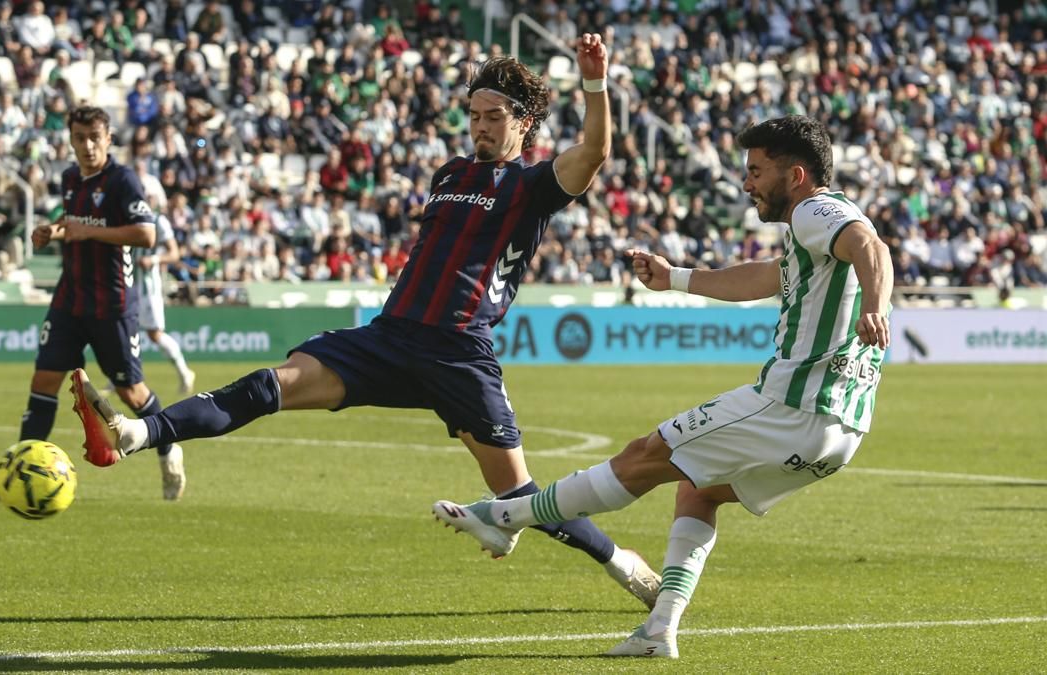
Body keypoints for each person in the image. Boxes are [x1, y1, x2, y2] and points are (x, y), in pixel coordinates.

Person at [70, 37, 664, 606]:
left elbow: (594, 152)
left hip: (457, 351)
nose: (480, 126)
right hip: (388, 336)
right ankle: (137, 434)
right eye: (474, 114)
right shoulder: (450, 174)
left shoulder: (533, 185)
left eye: (493, 116)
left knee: (517, 495)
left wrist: (594, 82)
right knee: (266, 386)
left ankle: (620, 561)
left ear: (524, 123)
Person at [432, 116, 894, 659]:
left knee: (644, 455)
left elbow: (871, 245)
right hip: (842, 431)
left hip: (792, 406)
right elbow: (763, 277)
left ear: (795, 175)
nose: (746, 183)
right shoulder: (808, 239)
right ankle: (658, 630)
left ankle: (503, 517)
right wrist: (675, 277)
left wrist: (876, 307)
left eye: (755, 170)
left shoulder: (817, 209)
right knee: (698, 487)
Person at [0, 105, 187, 501]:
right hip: (69, 299)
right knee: (43, 381)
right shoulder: (71, 177)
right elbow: (74, 218)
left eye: (95, 137)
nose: (88, 145)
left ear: (108, 139)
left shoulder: (123, 180)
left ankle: (167, 447)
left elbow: (145, 235)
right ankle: (18, 473)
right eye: (80, 138)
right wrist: (53, 231)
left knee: (133, 393)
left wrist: (87, 232)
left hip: (111, 304)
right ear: (71, 139)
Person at [125, 195, 197, 395]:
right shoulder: (128, 220)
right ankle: (120, 378)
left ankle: (184, 372)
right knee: (124, 328)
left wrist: (153, 259)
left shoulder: (159, 221)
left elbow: (174, 254)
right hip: (129, 284)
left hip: (148, 286)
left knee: (154, 333)